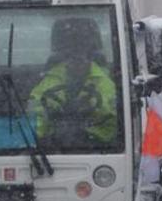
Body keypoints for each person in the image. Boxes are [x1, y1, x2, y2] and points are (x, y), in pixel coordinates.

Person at [29, 17, 118, 148]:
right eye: (71, 54)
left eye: (82, 53)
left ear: (90, 55)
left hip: (97, 147)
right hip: (53, 149)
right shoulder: (49, 81)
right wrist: (52, 124)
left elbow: (115, 123)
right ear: (64, 56)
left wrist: (90, 119)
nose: (77, 58)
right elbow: (34, 117)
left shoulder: (106, 84)